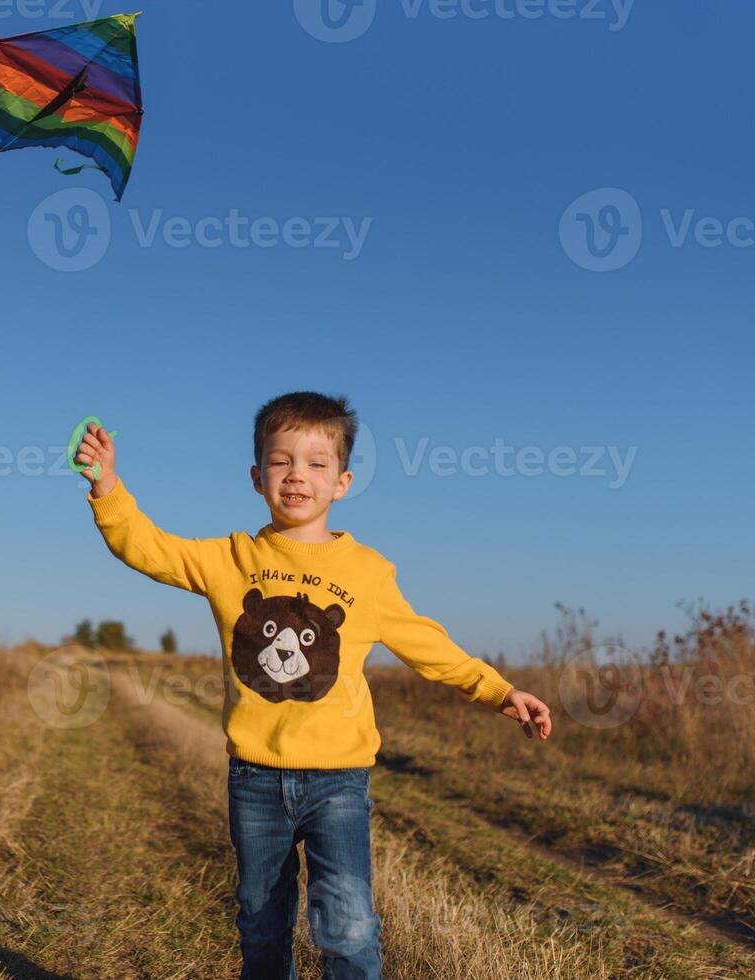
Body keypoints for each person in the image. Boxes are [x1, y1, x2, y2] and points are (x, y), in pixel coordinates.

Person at [76, 391, 553, 979]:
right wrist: (108, 491)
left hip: (338, 780)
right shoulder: (232, 558)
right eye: (280, 461)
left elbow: (427, 645)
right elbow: (149, 549)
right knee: (261, 921)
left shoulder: (368, 573)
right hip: (254, 778)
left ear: (343, 482)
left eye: (316, 463)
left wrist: (498, 690)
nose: (297, 475)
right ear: (257, 477)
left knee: (348, 924)